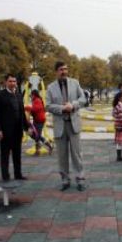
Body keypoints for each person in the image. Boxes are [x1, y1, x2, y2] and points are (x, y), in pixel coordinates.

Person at [46, 61, 87, 191]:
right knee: (62, 155)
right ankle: (65, 180)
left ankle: (80, 179)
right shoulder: (50, 87)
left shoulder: (75, 83)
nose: (64, 71)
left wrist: (73, 105)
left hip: (73, 124)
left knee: (77, 154)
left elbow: (83, 99)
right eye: (61, 69)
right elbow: (48, 105)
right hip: (60, 126)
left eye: (65, 69)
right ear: (56, 71)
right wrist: (62, 108)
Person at [0, 74, 31, 181]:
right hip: (5, 131)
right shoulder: (0, 95)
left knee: (17, 154)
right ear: (6, 82)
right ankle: (5, 176)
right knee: (5, 155)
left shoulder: (19, 95)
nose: (13, 83)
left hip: (17, 130)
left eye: (14, 81)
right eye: (10, 81)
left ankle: (18, 174)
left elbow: (22, 113)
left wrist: (27, 127)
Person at [28, 90, 53, 155]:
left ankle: (38, 151)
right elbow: (34, 110)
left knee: (36, 135)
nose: (31, 96)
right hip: (36, 119)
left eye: (31, 95)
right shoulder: (35, 100)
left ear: (34, 95)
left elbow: (36, 109)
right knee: (33, 134)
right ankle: (49, 145)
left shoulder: (37, 100)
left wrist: (27, 108)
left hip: (40, 120)